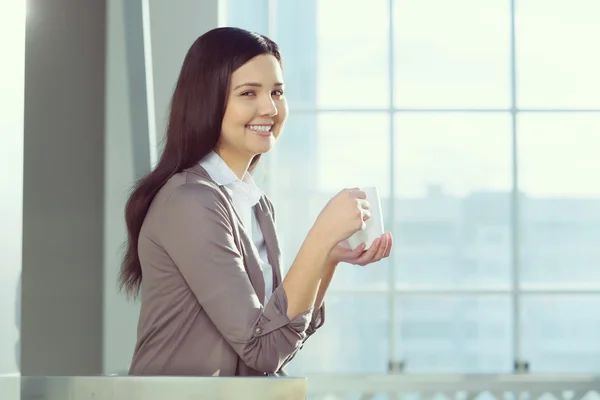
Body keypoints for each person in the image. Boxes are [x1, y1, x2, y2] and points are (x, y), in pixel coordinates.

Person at [119, 27, 393, 377]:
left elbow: (278, 341)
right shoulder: (189, 203)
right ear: (208, 100)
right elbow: (261, 349)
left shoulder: (256, 205)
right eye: (249, 93)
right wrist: (320, 236)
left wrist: (329, 258)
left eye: (277, 92)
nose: (270, 108)